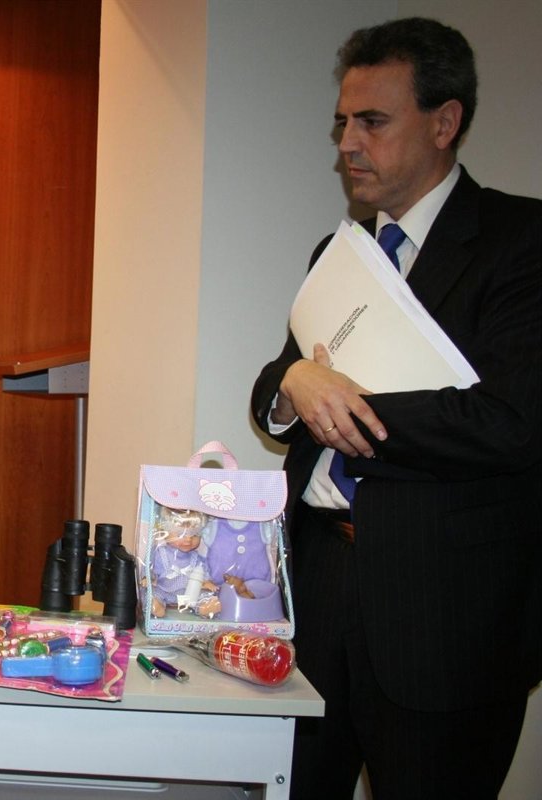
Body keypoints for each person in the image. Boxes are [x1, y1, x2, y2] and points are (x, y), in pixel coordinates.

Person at [251, 17, 540, 799]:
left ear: (444, 123)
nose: (347, 144)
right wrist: (294, 382)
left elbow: (512, 422)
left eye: (372, 121)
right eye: (342, 122)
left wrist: (341, 402)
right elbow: (277, 388)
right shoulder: (337, 254)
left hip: (445, 614)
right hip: (315, 588)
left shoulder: (522, 240)